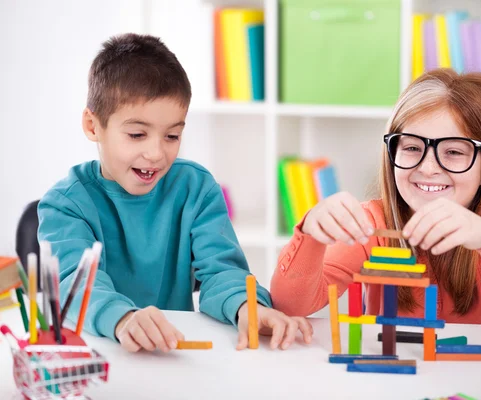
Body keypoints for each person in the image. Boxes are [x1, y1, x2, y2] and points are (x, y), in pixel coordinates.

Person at [38, 33, 312, 352]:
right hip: (100, 353)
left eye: (172, 135)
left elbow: (222, 270)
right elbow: (74, 282)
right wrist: (123, 318)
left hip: (175, 353)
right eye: (137, 134)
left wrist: (248, 308)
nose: (156, 153)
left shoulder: (196, 189)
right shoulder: (64, 204)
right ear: (92, 125)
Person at [270, 69, 481, 336]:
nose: (428, 167)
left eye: (454, 152)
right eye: (412, 147)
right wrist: (310, 234)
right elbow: (290, 306)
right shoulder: (372, 225)